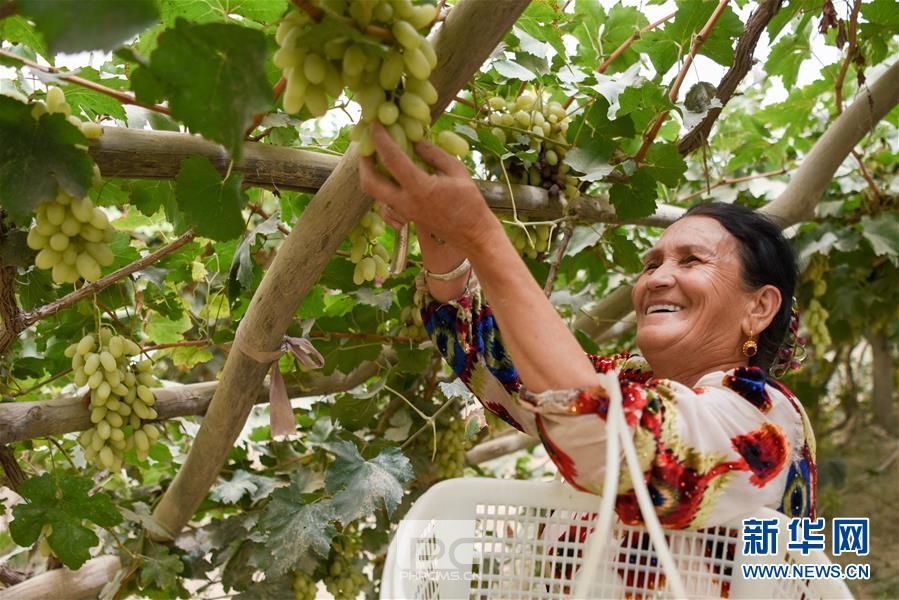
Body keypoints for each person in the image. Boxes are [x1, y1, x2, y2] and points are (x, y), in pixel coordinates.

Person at [359, 123, 815, 531]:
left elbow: (615, 439)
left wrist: (480, 232)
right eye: (651, 263)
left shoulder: (765, 419)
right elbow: (504, 365)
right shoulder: (629, 381)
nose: (656, 278)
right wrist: (439, 226)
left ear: (759, 307)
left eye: (692, 260)